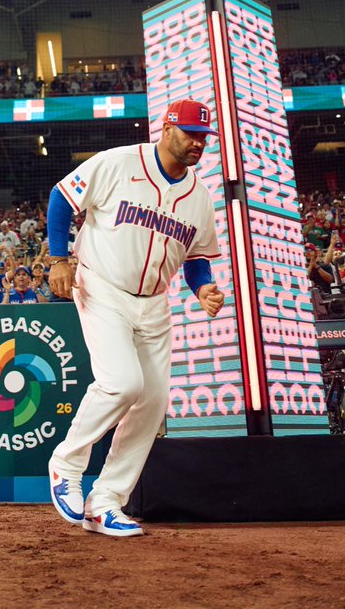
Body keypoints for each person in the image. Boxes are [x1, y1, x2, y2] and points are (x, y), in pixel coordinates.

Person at [46, 98, 225, 538]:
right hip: (102, 285)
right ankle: (66, 465)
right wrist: (58, 258)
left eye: (203, 137)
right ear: (166, 129)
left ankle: (106, 501)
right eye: (189, 133)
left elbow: (197, 257)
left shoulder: (198, 197)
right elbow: (61, 197)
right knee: (123, 383)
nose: (197, 143)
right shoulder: (118, 162)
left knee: (152, 401)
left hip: (154, 302)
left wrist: (202, 287)